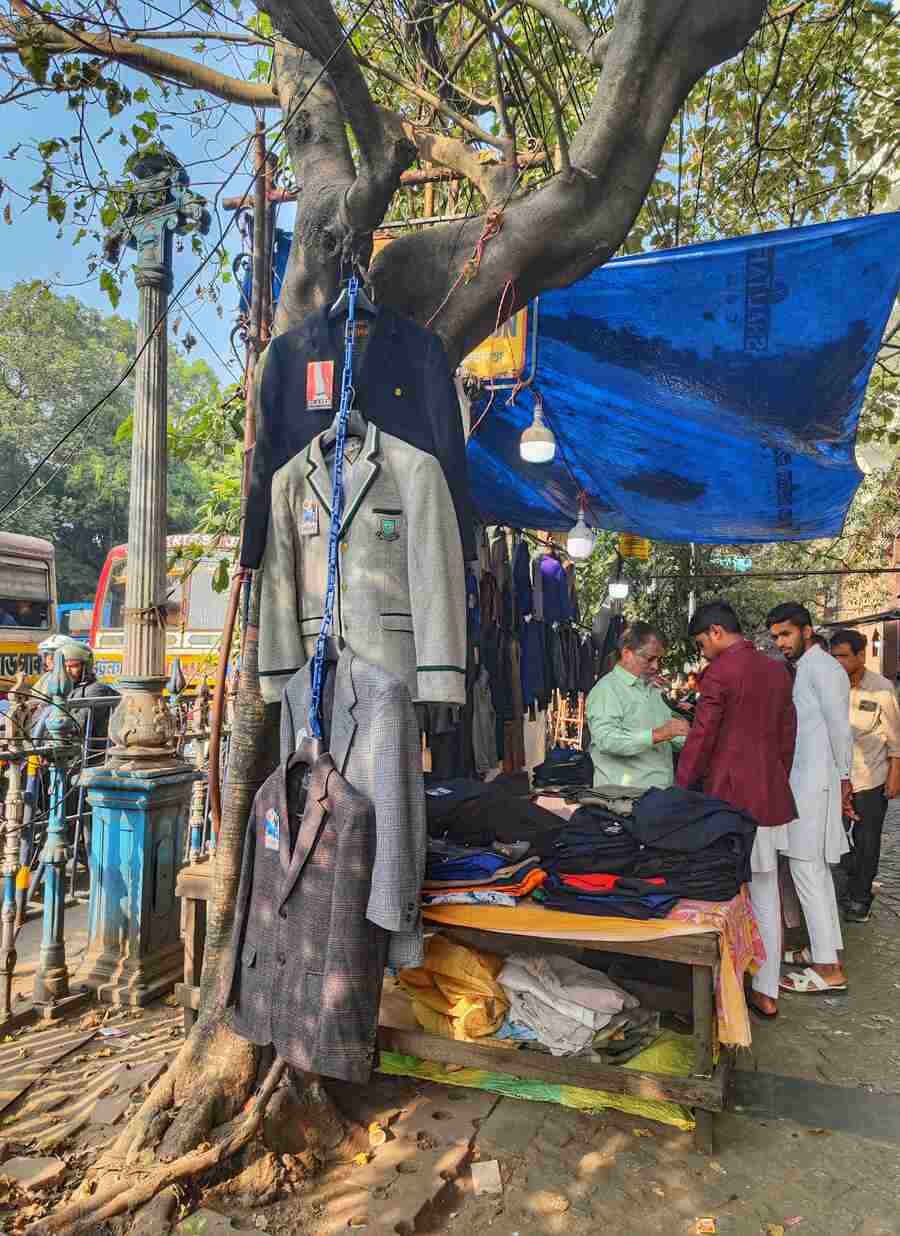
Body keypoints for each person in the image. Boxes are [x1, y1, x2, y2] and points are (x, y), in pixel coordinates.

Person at [674, 601, 797, 1019]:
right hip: (770, 795)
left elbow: (702, 738)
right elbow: (787, 738)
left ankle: (723, 988)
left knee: (720, 892)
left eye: (701, 643)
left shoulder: (721, 673)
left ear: (714, 632)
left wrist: (680, 789)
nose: (702, 651)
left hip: (730, 802)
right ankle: (766, 990)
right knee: (765, 893)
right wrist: (774, 777)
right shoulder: (778, 670)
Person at [767, 602, 853, 996]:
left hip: (816, 786)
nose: (781, 643)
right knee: (811, 872)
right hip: (803, 783)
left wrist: (846, 780)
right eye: (776, 637)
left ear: (806, 630)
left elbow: (840, 729)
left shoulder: (824, 669)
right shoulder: (806, 670)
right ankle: (824, 953)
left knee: (808, 872)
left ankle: (828, 968)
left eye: (785, 634)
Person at [829, 628, 900, 923]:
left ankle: (860, 898)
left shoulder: (882, 689)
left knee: (867, 840)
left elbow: (895, 739)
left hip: (870, 779)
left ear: (861, 655)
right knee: (832, 839)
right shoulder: (830, 686)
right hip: (834, 779)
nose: (839, 662)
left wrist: (895, 777)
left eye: (844, 656)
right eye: (834, 657)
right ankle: (847, 881)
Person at [585, 622, 690, 789]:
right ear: (627, 653)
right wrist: (657, 734)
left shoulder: (653, 690)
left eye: (659, 659)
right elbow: (607, 740)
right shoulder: (606, 690)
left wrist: (686, 734)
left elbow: (669, 737)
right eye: (650, 659)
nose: (656, 666)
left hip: (661, 794)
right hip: (625, 799)